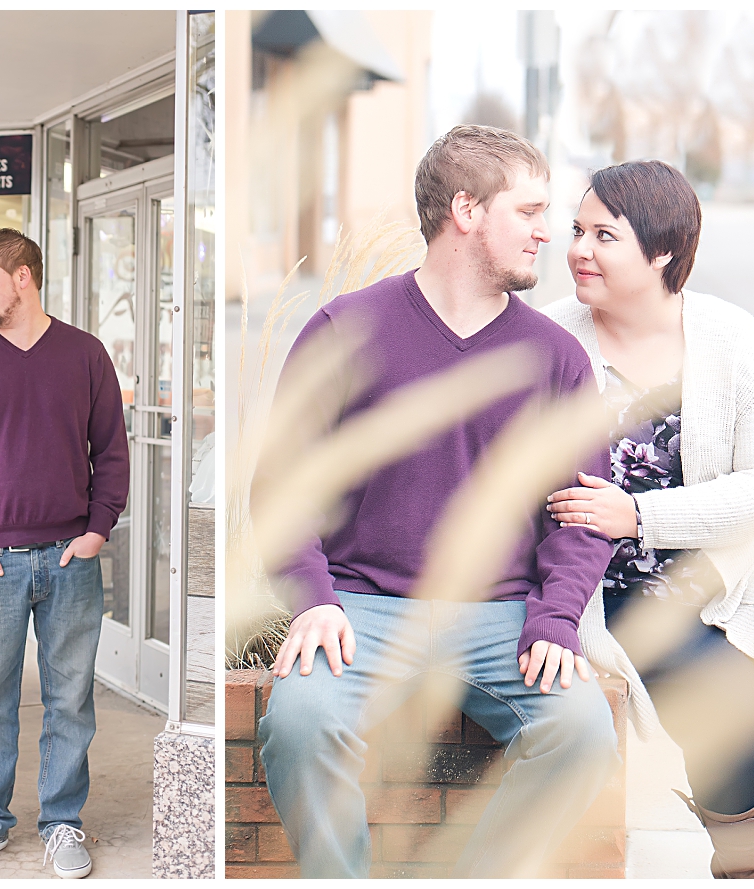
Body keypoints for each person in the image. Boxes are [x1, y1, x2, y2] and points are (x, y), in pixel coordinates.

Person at [254, 125, 621, 879]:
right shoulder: (346, 328)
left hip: (501, 616)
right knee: (298, 721)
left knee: (582, 732)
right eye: (527, 212)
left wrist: (555, 615)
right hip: (360, 610)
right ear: (465, 209)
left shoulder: (554, 357)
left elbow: (579, 512)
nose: (546, 232)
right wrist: (311, 598)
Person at [543, 160, 754, 879]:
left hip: (730, 569)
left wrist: (636, 513)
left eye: (603, 234)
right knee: (741, 723)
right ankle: (753, 863)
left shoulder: (729, 336)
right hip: (612, 590)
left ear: (661, 251)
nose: (577, 249)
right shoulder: (548, 340)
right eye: (575, 230)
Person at [0, 229, 129, 878]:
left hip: (72, 557)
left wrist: (96, 529)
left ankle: (63, 822)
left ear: (24, 277)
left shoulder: (85, 354)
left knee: (70, 699)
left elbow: (113, 451)